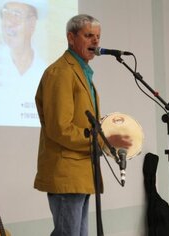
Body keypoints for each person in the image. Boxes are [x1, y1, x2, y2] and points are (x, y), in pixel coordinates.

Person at [33, 14, 131, 236]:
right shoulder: (61, 72)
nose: (96, 42)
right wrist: (102, 140)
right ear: (70, 37)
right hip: (67, 171)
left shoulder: (81, 72)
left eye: (97, 37)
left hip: (82, 171)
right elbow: (60, 129)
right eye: (89, 36)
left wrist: (107, 136)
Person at [0, 0, 47, 126]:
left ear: (32, 24)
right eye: (5, 14)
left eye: (16, 15)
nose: (8, 23)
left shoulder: (45, 71)